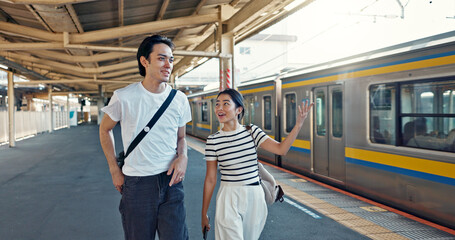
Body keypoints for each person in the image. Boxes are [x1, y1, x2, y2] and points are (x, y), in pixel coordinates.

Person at [99, 35, 191, 240]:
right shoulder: (124, 96)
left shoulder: (180, 99)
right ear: (144, 61)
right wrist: (114, 169)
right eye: (161, 58)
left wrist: (183, 157)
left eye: (171, 59)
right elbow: (104, 130)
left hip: (171, 183)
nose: (168, 64)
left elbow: (181, 137)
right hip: (138, 184)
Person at [201, 89, 313, 240]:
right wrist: (204, 213)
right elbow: (210, 179)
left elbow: (281, 149)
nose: (219, 108)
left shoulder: (252, 132)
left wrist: (298, 124)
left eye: (226, 104)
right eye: (217, 104)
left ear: (238, 110)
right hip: (228, 196)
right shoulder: (213, 141)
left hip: (254, 197)